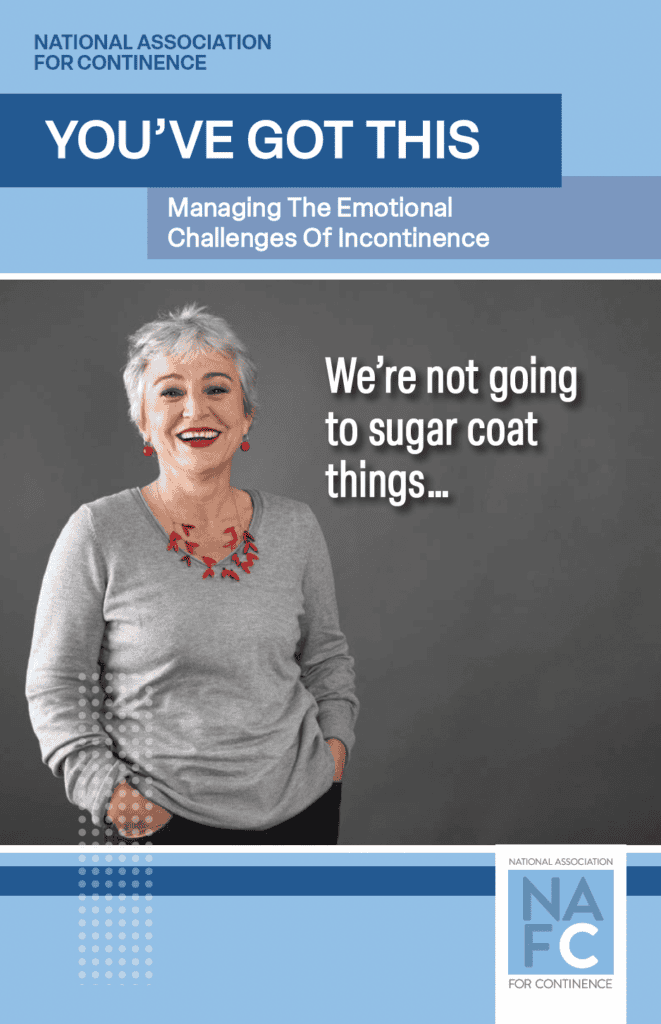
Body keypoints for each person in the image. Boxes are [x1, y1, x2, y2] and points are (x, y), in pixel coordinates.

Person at [26, 304, 358, 845]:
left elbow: (325, 659)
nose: (196, 409)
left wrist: (334, 754)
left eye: (217, 389)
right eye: (171, 392)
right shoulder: (97, 531)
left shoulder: (296, 526)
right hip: (159, 823)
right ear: (143, 421)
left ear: (246, 416)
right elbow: (56, 684)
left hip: (306, 809)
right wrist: (111, 795)